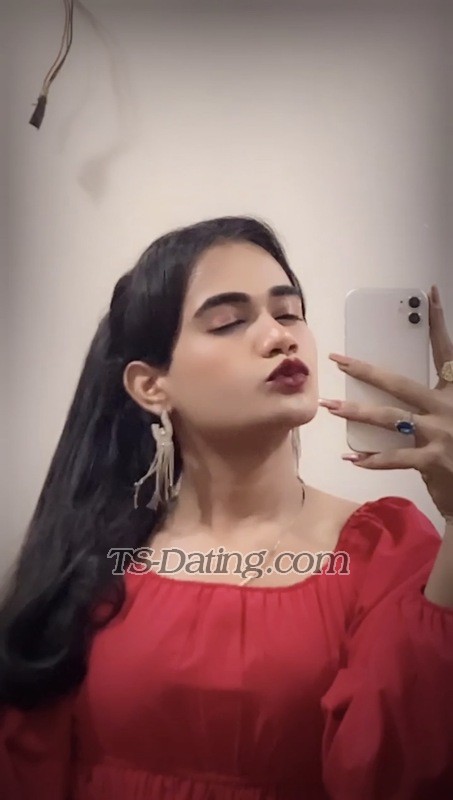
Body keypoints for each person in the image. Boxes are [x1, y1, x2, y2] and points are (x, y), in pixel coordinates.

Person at [1, 215, 453, 800]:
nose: (279, 337)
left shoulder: (384, 550)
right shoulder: (94, 558)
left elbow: (403, 772)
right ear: (150, 386)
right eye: (229, 321)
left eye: (289, 313)